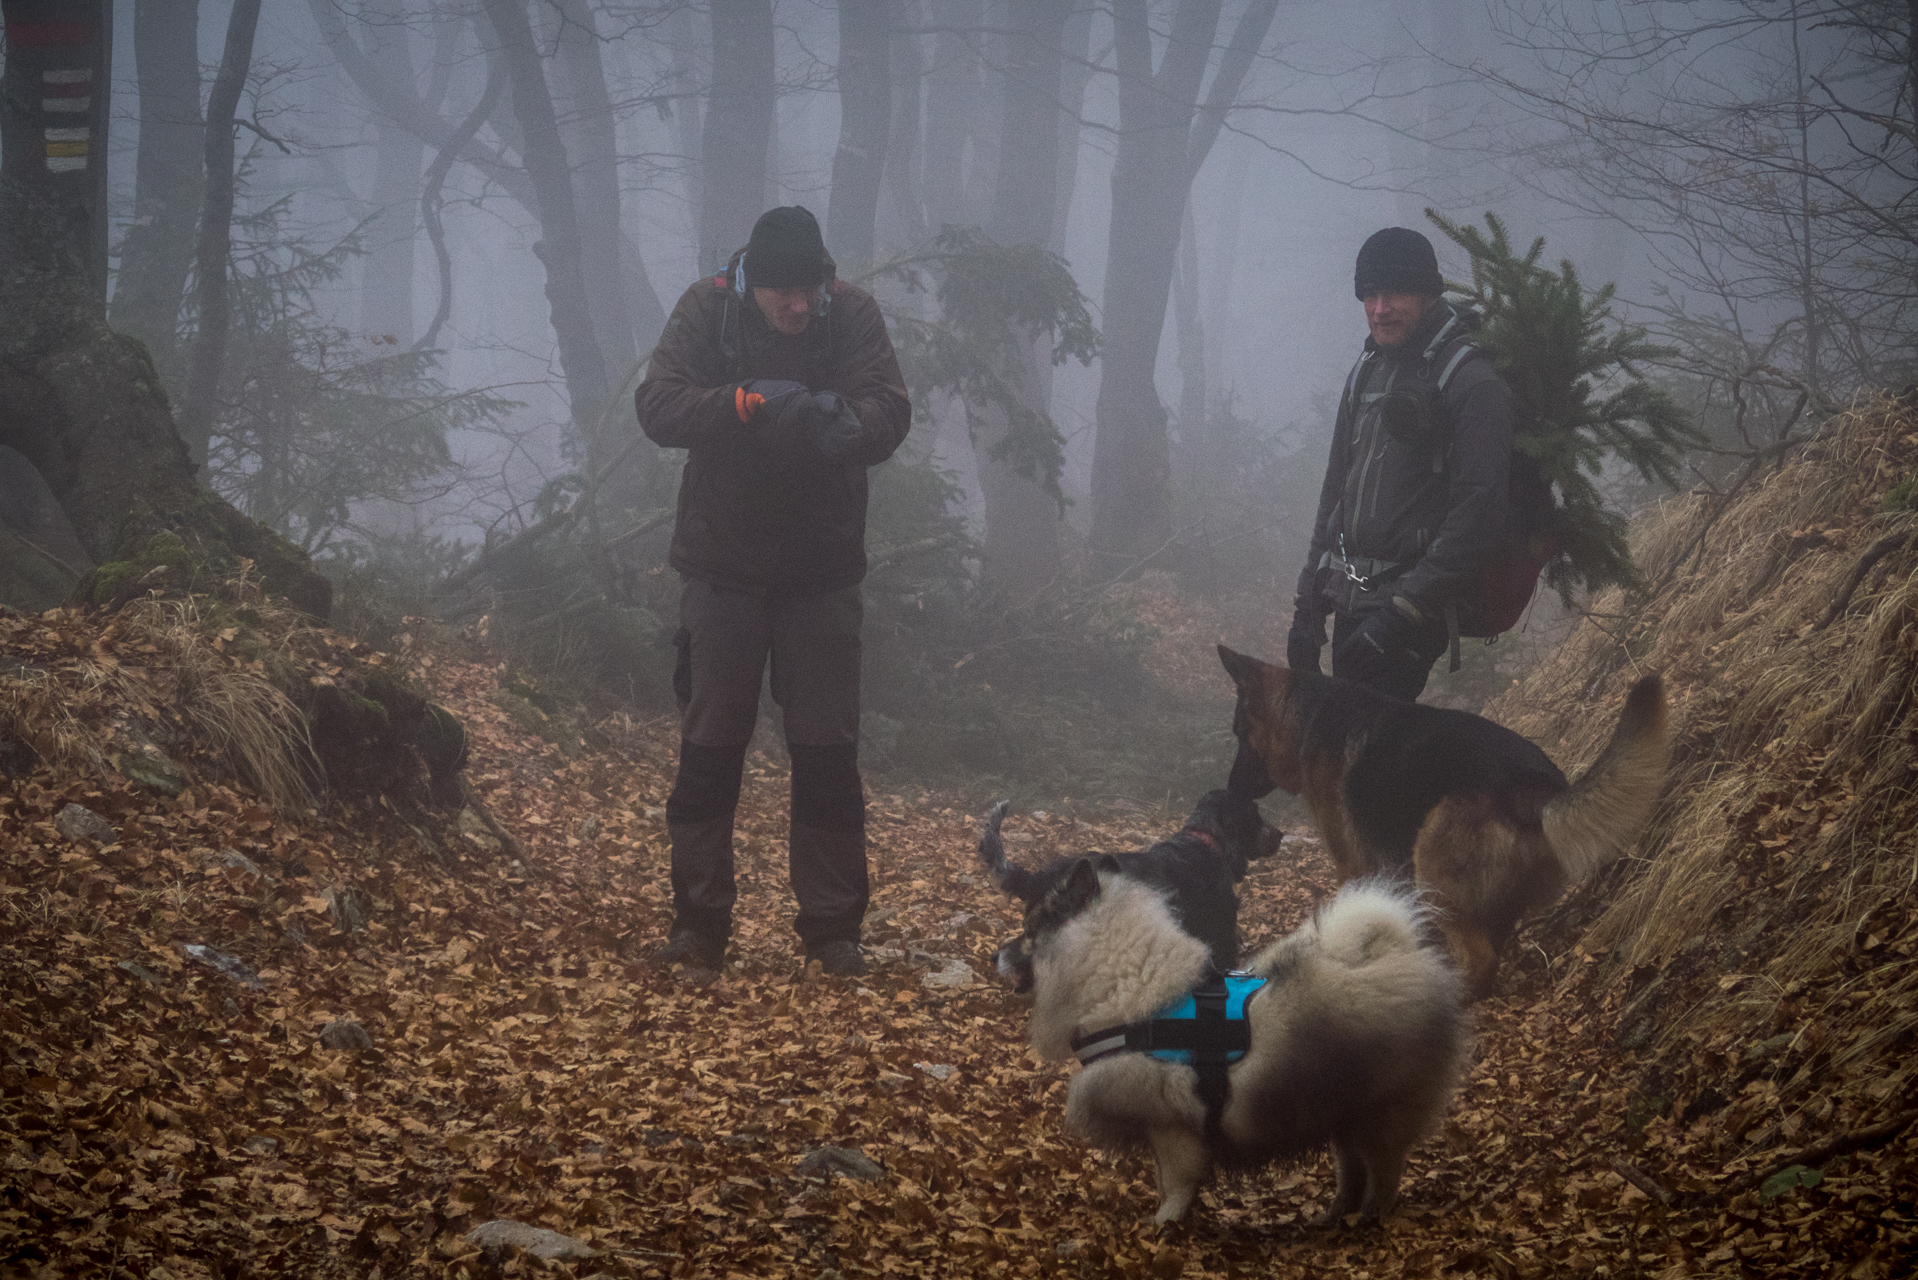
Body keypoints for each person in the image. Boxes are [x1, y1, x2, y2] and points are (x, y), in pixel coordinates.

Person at [635, 206, 911, 975]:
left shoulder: (849, 312)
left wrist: (844, 425)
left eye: (810, 287)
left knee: (826, 754)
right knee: (710, 748)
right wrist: (741, 402)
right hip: (722, 569)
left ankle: (832, 932)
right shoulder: (707, 310)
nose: (800, 304)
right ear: (753, 282)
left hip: (822, 573)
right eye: (784, 291)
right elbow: (657, 405)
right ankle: (698, 925)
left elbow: (892, 410)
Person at [1288, 226, 1516, 701]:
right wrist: (1308, 604)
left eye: (1393, 293)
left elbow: (1479, 511)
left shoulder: (1471, 381)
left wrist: (1402, 614)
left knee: (1362, 759)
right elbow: (1336, 490)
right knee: (1349, 757)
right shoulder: (1367, 371)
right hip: (1352, 600)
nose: (1379, 308)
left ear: (1428, 293)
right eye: (1369, 294)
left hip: (1410, 612)